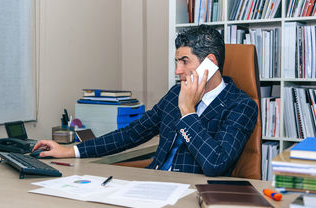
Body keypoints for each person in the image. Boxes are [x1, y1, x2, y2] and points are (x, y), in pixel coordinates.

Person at [33, 25, 258, 176]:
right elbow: (131, 133)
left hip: (195, 199)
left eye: (184, 61)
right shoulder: (174, 94)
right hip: (154, 186)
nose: (177, 70)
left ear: (210, 62)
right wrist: (70, 150)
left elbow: (215, 164)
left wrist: (188, 111)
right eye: (176, 61)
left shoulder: (240, 105)